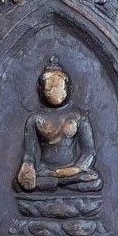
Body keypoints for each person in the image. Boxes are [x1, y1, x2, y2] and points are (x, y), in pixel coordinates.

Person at [15, 59, 103, 193]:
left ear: (67, 89)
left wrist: (77, 168)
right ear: (41, 90)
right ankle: (61, 183)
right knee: (19, 184)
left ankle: (55, 183)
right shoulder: (35, 119)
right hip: (45, 170)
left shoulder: (79, 117)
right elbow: (29, 153)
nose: (54, 91)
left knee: (95, 182)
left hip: (72, 170)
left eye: (58, 87)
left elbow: (89, 151)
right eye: (49, 88)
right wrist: (27, 166)